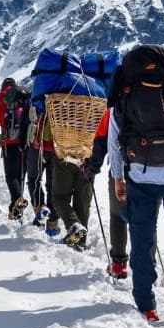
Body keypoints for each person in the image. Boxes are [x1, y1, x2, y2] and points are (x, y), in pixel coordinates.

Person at [108, 45, 164, 323]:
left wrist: (117, 177)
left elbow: (115, 141)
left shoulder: (123, 98)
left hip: (140, 176)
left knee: (142, 239)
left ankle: (146, 304)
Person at [83, 106, 130, 278]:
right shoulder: (157, 97)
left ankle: (118, 265)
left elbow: (101, 140)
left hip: (120, 172)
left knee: (118, 216)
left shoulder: (114, 106)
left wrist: (92, 167)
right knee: (146, 219)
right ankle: (148, 265)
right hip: (149, 171)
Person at [0, 79, 29, 219]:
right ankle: (15, 208)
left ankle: (17, 201)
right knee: (21, 175)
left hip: (9, 145)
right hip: (25, 143)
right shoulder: (24, 101)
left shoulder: (1, 104)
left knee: (11, 176)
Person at [50, 107, 93, 250]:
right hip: (87, 155)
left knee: (59, 198)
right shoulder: (96, 94)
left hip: (64, 152)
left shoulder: (60, 92)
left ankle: (74, 226)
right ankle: (80, 242)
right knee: (82, 202)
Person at [26, 102, 58, 233]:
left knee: (34, 179)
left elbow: (26, 120)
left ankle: (40, 208)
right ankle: (53, 224)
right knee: (53, 185)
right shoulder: (67, 93)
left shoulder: (39, 92)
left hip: (38, 146)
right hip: (58, 148)